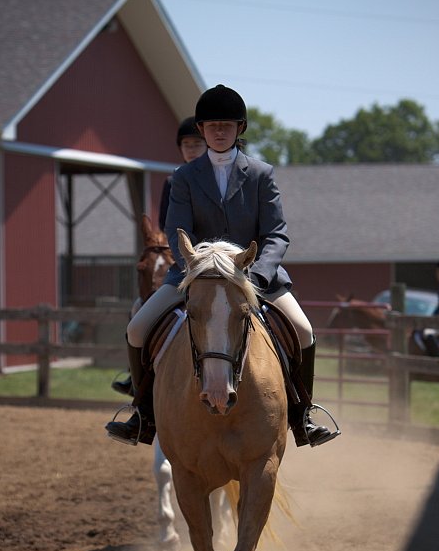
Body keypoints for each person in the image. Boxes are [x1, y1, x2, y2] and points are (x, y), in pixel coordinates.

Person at [105, 84, 338, 447]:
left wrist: (255, 275)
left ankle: (302, 415)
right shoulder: (183, 178)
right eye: (211, 124)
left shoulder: (261, 174)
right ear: (201, 129)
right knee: (137, 329)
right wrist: (197, 270)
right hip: (195, 275)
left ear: (239, 128)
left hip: (257, 277)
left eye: (226, 124)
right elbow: (177, 232)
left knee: (304, 331)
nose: (218, 130)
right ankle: (143, 415)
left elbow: (276, 234)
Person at [111, 117, 206, 396]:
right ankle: (138, 393)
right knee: (138, 318)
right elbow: (168, 224)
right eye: (186, 145)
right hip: (184, 262)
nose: (191, 149)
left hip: (222, 263)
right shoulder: (173, 180)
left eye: (196, 144)